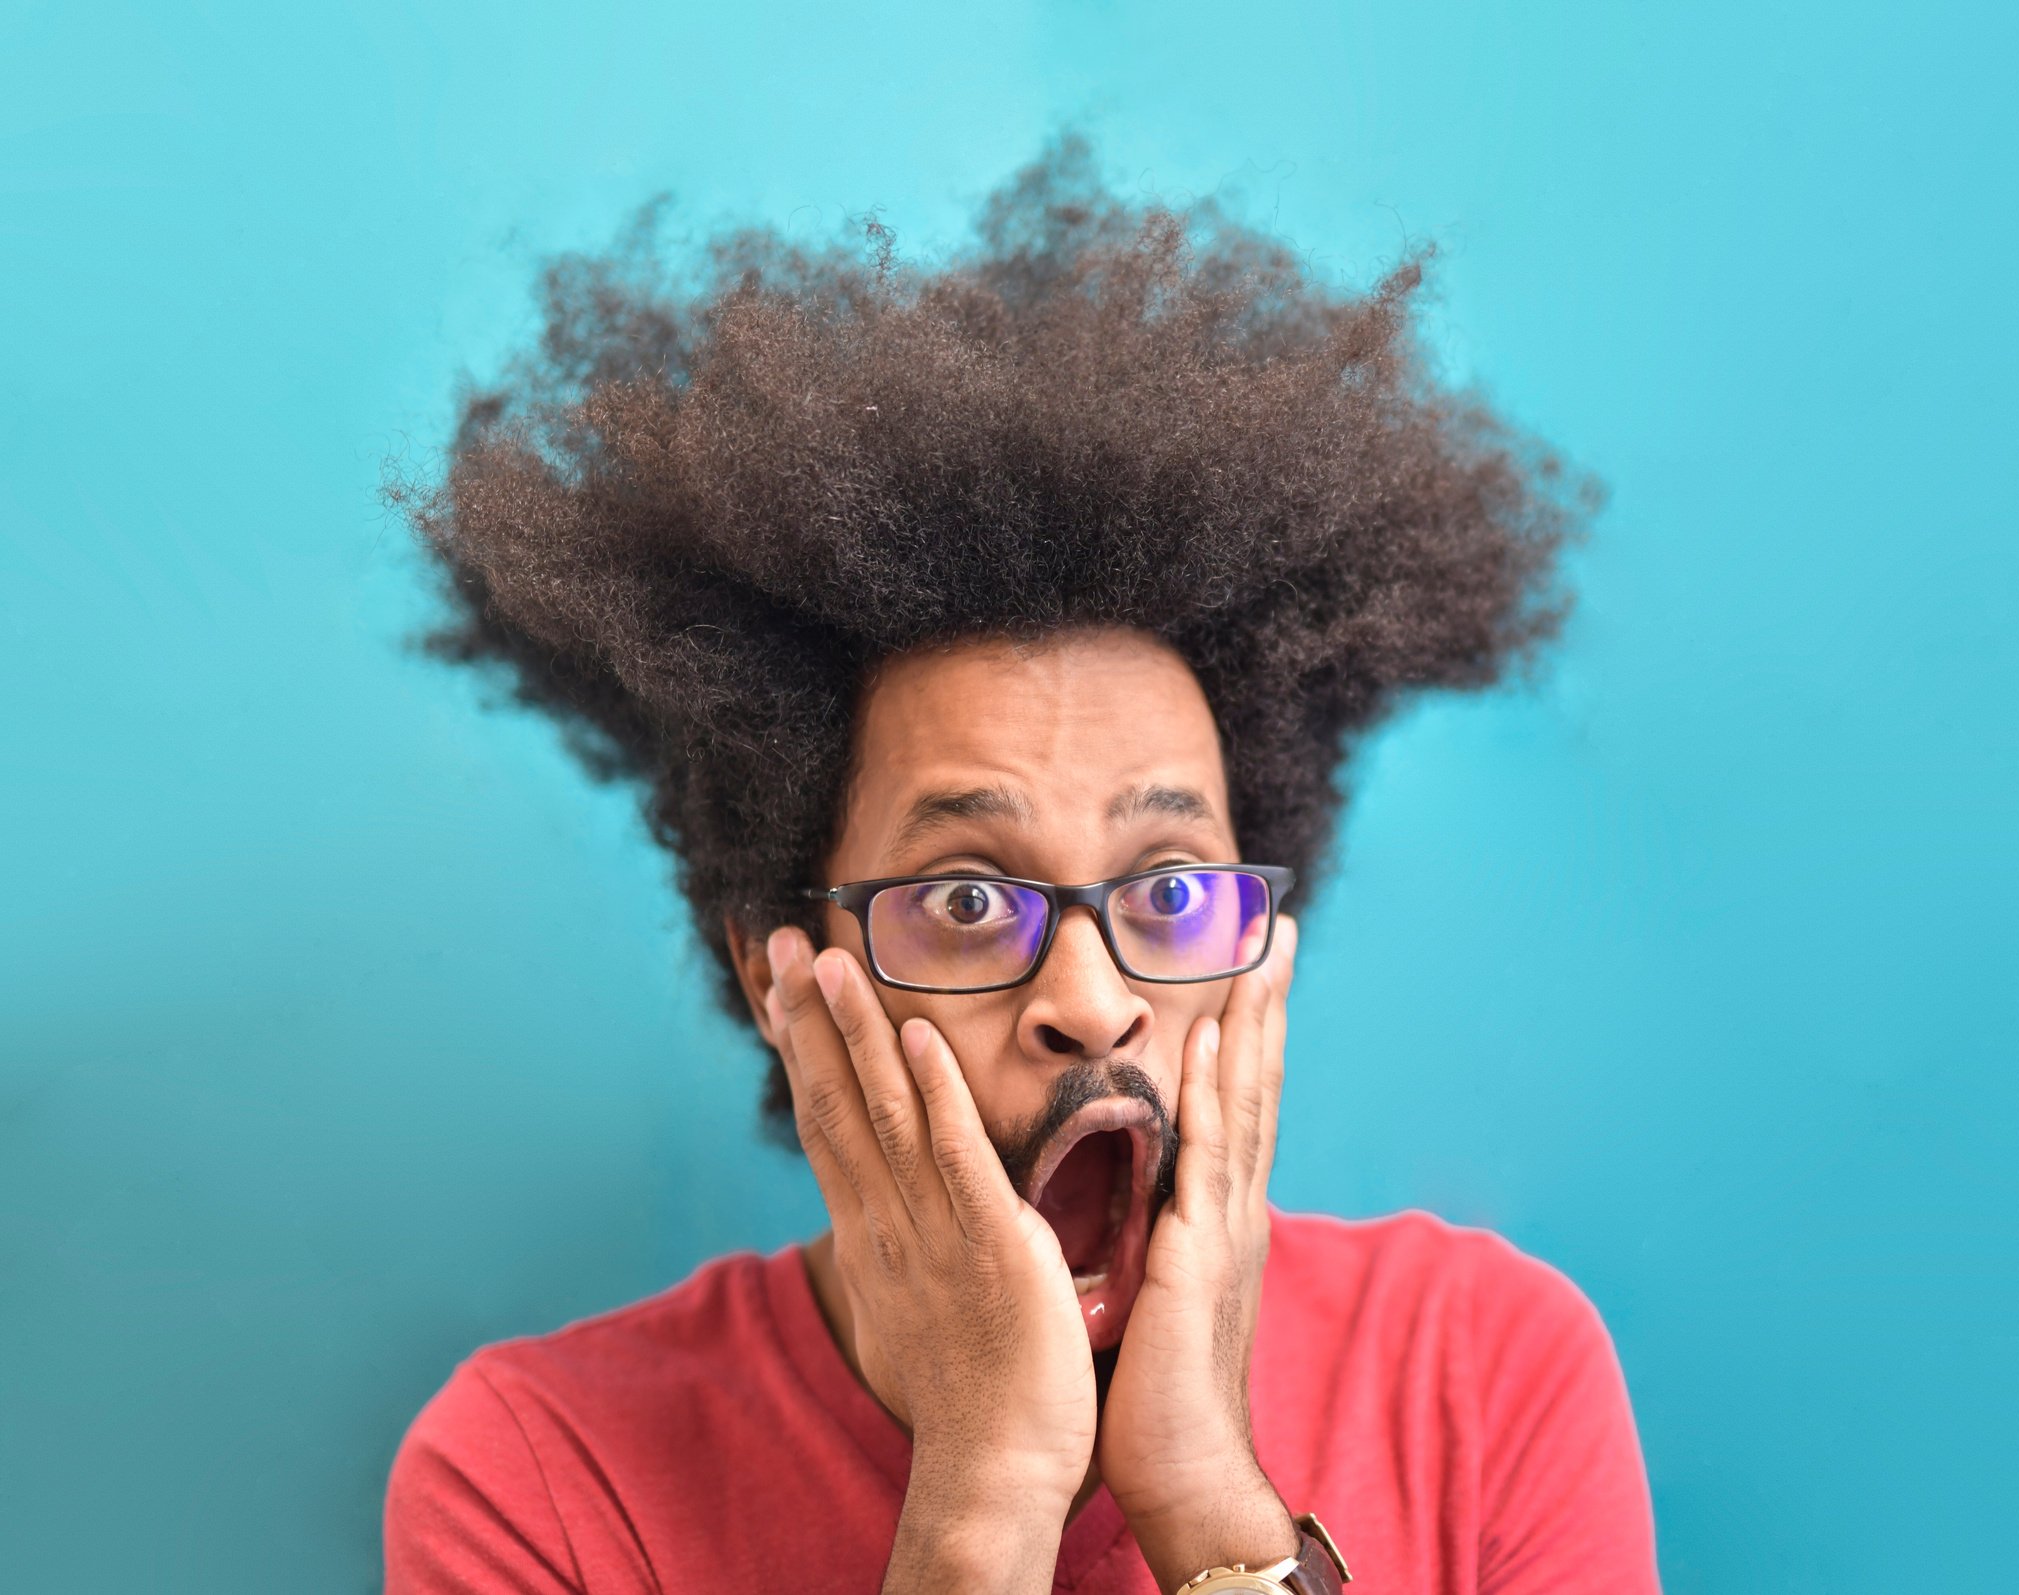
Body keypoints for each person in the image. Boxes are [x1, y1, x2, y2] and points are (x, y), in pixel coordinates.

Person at [381, 135, 1659, 1594]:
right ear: (781, 970)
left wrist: (1205, 1502)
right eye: (968, 899)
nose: (1094, 1002)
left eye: (1170, 890)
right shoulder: (539, 1476)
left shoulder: (1483, 1374)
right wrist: (984, 1502)